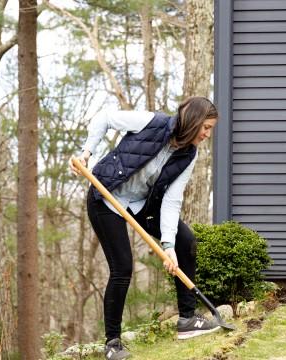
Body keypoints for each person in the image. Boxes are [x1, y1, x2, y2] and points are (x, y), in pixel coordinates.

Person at [69, 97, 220, 359]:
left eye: (210, 129)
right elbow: (105, 118)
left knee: (185, 241)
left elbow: (172, 201)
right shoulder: (152, 122)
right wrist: (86, 152)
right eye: (206, 127)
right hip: (106, 198)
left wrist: (169, 246)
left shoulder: (189, 155)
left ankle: (187, 320)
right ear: (193, 121)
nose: (207, 134)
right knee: (122, 268)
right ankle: (112, 344)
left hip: (141, 205)